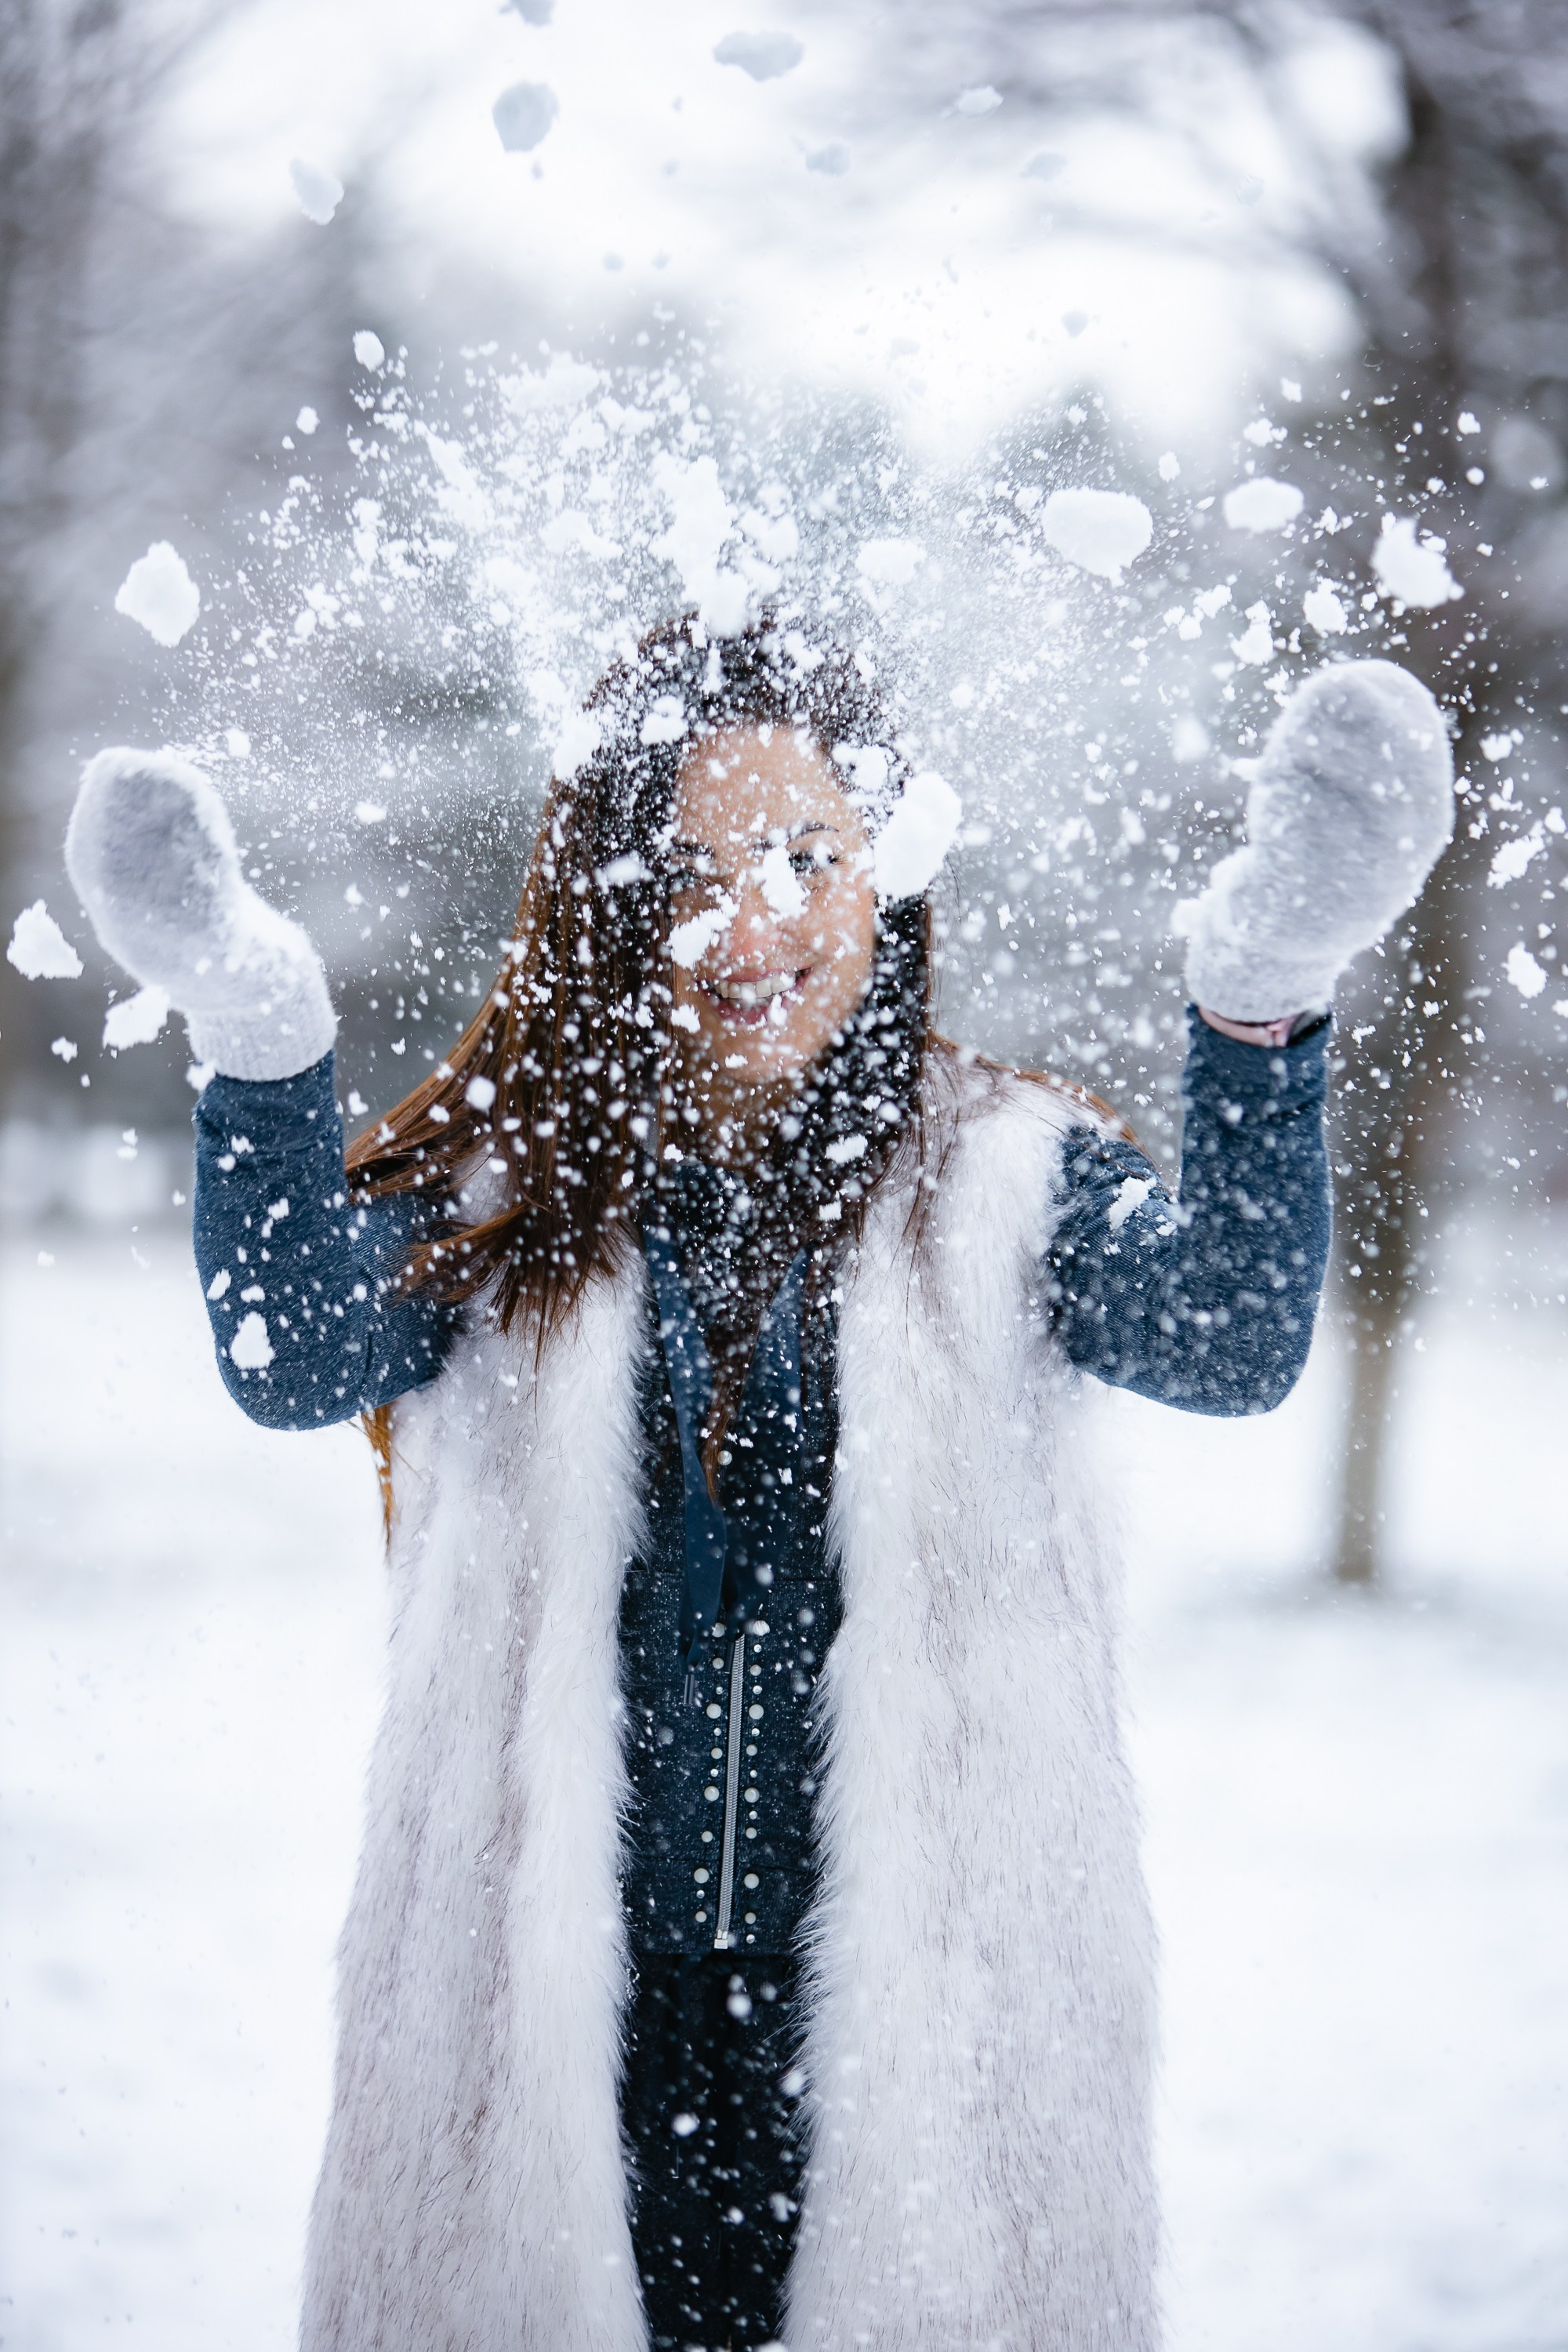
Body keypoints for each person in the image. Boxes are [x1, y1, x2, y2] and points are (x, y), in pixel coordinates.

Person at [64, 618, 1453, 2352]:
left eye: (813, 853)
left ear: (891, 875)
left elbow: (1231, 1335)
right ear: (609, 904)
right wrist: (263, 1045)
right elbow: (293, 1352)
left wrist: (1263, 991)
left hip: (914, 2049)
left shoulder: (1002, 1181)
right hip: (551, 2045)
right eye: (697, 866)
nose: (764, 917)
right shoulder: (514, 1197)